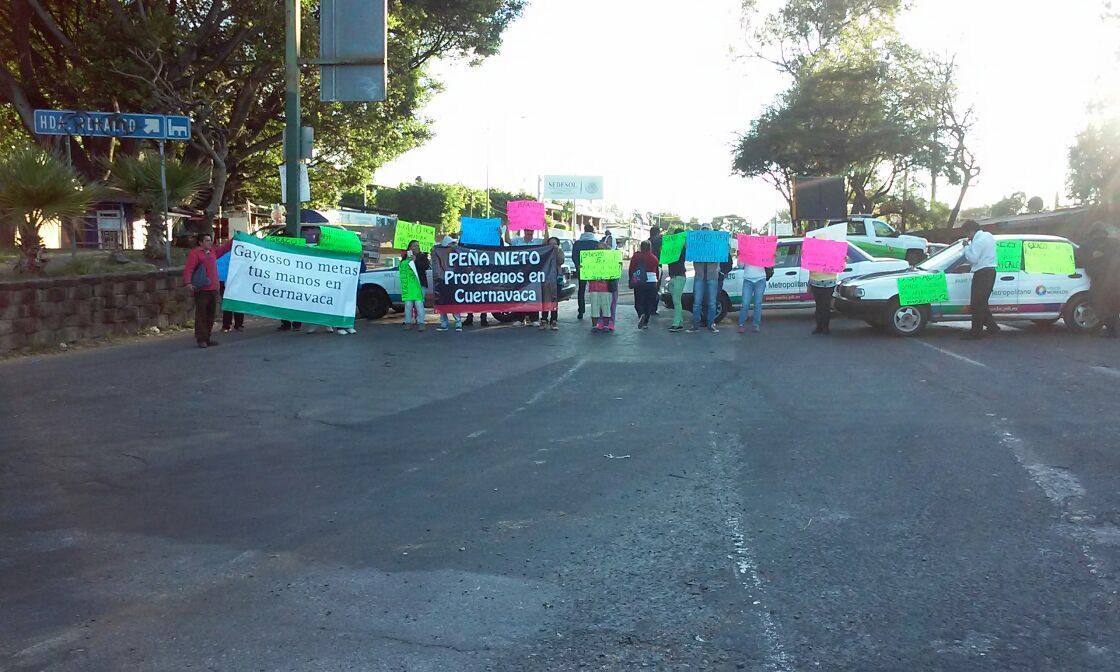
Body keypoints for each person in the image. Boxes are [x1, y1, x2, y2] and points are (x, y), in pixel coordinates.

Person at [183, 232, 233, 348]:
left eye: (210, 240)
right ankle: (201, 338)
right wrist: (188, 282)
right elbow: (189, 268)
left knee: (210, 314)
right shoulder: (195, 254)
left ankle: (207, 337)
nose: (209, 242)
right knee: (202, 314)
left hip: (213, 288)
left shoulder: (212, 252)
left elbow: (225, 249)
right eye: (206, 240)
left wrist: (234, 239)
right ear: (200, 242)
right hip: (202, 289)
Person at [1077, 224, 1120, 337]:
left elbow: (1080, 258)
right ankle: (1113, 329)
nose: (1100, 236)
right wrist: (1092, 256)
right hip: (1105, 279)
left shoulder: (1113, 244)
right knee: (1107, 304)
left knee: (1100, 303)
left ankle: (1113, 329)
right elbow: (1080, 257)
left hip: (1106, 279)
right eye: (1098, 234)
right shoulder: (1089, 245)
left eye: (1101, 234)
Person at [960, 219, 999, 340]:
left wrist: (966, 247)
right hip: (989, 272)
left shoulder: (978, 241)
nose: (967, 237)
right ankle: (993, 327)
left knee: (977, 303)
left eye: (967, 233)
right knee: (981, 302)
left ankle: (976, 332)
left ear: (971, 231)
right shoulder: (988, 236)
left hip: (983, 272)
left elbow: (972, 259)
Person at [507, 226, 542, 326]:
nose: (529, 235)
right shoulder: (517, 241)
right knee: (520, 295)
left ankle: (534, 318)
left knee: (533, 295)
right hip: (520, 272)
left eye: (531, 233)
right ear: (524, 232)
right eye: (528, 233)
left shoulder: (537, 242)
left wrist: (546, 227)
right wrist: (508, 227)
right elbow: (507, 240)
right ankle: (520, 318)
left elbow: (546, 242)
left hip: (532, 273)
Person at [629, 240, 660, 329]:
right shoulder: (654, 257)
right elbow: (657, 271)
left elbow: (631, 269)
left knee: (638, 302)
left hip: (640, 281)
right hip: (652, 282)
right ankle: (646, 321)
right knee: (648, 302)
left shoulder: (636, 256)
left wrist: (631, 279)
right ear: (650, 247)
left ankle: (641, 314)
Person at [435, 236, 463, 332]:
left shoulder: (457, 254)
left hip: (453, 281)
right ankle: (444, 324)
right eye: (452, 244)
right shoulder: (439, 255)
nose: (454, 246)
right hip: (442, 281)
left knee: (453, 302)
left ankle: (458, 323)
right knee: (442, 302)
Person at [572, 224, 600, 319]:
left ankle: (581, 311)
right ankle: (595, 311)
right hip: (593, 269)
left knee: (581, 290)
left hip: (581, 269)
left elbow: (574, 256)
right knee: (595, 290)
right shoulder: (596, 243)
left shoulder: (577, 243)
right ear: (592, 231)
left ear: (584, 231)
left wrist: (578, 265)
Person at [401, 240, 428, 332]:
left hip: (420, 283)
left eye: (417, 246)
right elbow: (401, 267)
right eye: (413, 246)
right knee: (408, 304)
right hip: (409, 284)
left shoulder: (423, 256)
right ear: (409, 248)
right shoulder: (405, 257)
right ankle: (408, 322)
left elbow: (426, 266)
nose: (416, 247)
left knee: (419, 303)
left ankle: (421, 323)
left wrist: (415, 260)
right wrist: (406, 260)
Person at [737, 257, 770, 334]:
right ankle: (741, 324)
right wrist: (741, 257)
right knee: (745, 303)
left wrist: (769, 258)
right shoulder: (746, 250)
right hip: (748, 279)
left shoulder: (762, 249)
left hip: (760, 279)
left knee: (757, 303)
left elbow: (768, 264)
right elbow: (740, 265)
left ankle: (756, 324)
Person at [215, 251, 244, 333]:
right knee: (227, 302)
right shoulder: (216, 252)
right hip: (222, 280)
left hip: (232, 279)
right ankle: (228, 325)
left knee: (236, 301)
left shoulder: (234, 252)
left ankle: (236, 324)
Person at [542, 236, 566, 330]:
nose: (552, 246)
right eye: (550, 244)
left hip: (555, 278)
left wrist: (556, 251)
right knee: (545, 300)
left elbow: (561, 261)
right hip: (545, 278)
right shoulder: (544, 252)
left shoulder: (559, 251)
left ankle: (553, 320)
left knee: (554, 300)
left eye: (554, 244)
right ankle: (544, 319)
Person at [667, 228, 688, 332]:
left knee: (676, 300)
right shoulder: (671, 247)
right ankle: (679, 321)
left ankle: (677, 323)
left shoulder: (683, 249)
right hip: (673, 276)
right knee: (676, 301)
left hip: (679, 276)